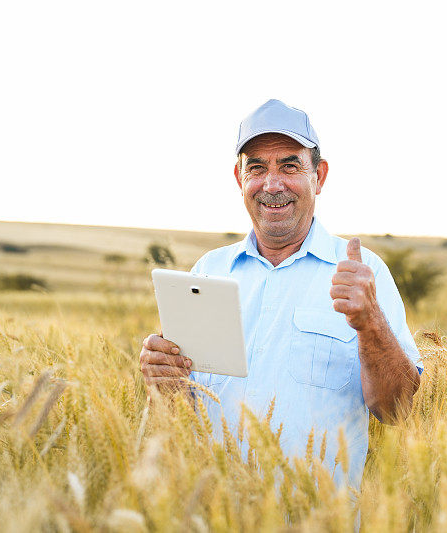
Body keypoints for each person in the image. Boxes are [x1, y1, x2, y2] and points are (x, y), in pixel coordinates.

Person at [138, 99, 422, 489]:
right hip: (214, 513)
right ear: (240, 180)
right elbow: (187, 409)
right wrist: (165, 379)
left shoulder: (362, 273)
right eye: (256, 167)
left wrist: (371, 323)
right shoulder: (207, 271)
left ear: (319, 176)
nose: (272, 184)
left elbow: (399, 411)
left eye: (289, 165)